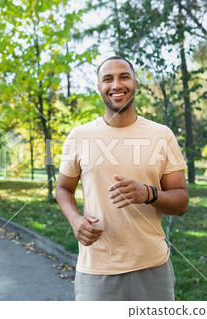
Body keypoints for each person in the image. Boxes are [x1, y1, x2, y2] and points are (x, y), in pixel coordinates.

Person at [55, 56, 189, 301]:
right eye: (108, 79)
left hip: (152, 268)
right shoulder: (79, 136)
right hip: (97, 271)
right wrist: (75, 220)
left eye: (124, 77)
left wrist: (148, 194)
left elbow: (181, 202)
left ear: (135, 84)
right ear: (99, 88)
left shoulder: (162, 135)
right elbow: (63, 188)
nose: (116, 85)